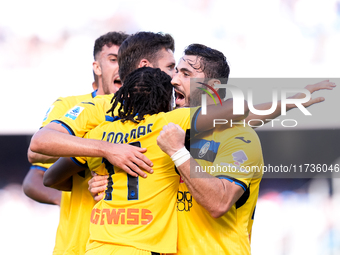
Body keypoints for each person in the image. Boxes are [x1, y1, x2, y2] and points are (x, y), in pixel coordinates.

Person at [43, 67, 239, 254]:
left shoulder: (98, 133)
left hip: (97, 245)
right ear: (166, 100)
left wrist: (91, 180)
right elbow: (235, 109)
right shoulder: (169, 123)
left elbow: (50, 178)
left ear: (124, 97)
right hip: (142, 246)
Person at [23, 31, 156, 255]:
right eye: (113, 59)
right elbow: (36, 158)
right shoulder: (71, 106)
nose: (121, 67)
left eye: (126, 61)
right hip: (76, 244)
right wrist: (68, 195)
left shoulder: (147, 113)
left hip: (126, 244)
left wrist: (116, 185)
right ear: (97, 66)